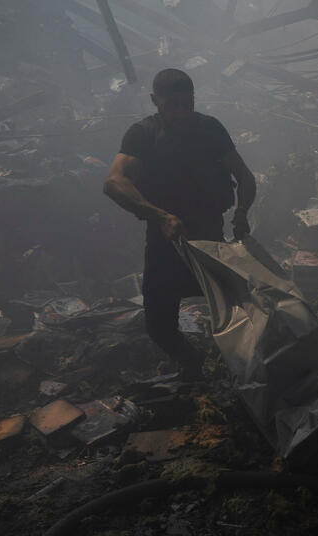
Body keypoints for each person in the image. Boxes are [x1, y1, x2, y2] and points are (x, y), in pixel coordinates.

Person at [103, 68, 257, 379]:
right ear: (154, 100)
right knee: (159, 327)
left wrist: (242, 213)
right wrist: (161, 216)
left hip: (212, 240)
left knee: (244, 312)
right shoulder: (144, 135)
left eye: (187, 105)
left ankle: (244, 370)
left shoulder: (210, 129)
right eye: (172, 106)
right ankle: (193, 364)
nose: (181, 113)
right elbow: (113, 182)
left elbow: (243, 175)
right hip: (166, 245)